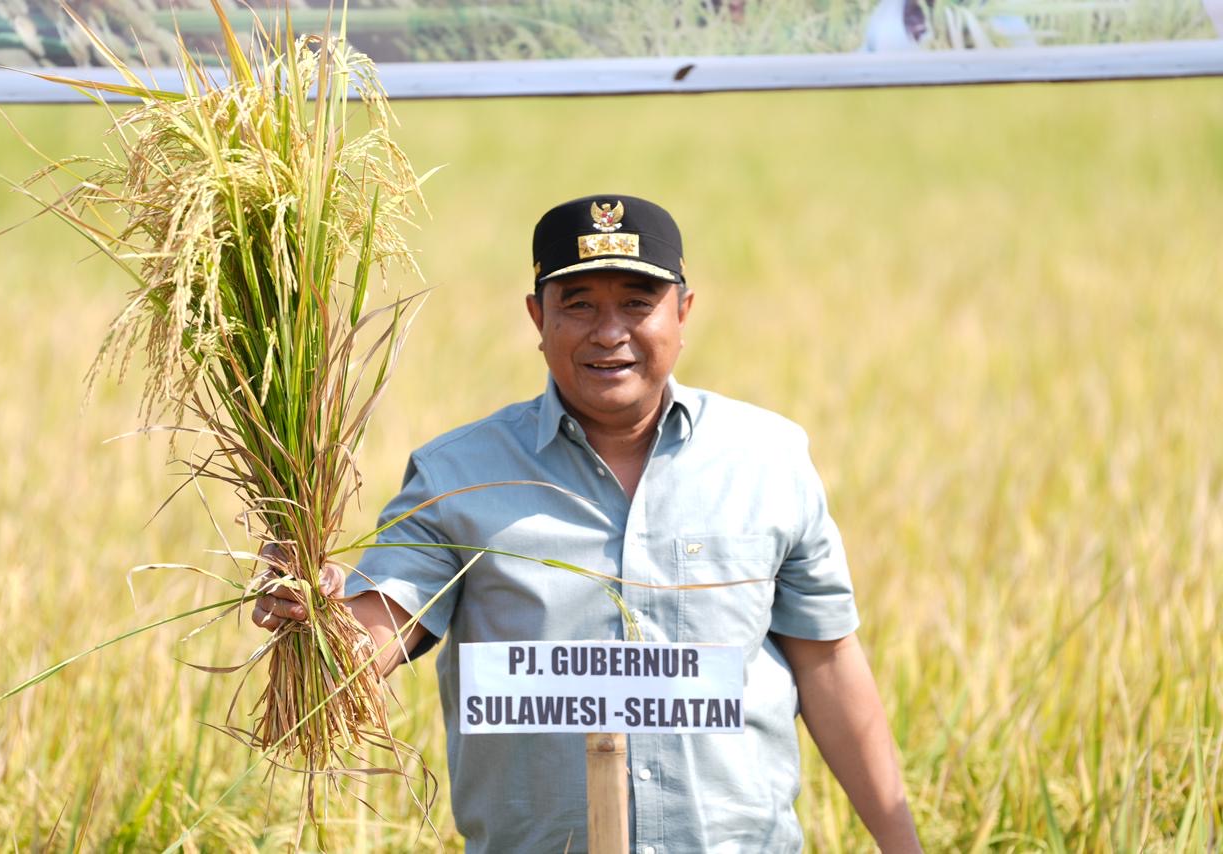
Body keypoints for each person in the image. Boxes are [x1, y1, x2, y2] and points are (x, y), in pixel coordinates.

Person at [253, 194, 922, 853]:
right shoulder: (459, 476)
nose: (610, 332)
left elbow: (828, 660)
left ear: (683, 313)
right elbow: (375, 632)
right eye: (578, 305)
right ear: (537, 317)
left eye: (638, 303)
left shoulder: (767, 461)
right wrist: (314, 613)